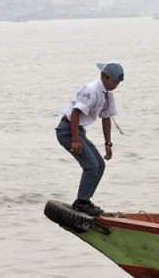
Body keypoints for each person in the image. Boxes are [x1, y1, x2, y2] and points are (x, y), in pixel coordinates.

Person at [56, 62, 124, 215]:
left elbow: (106, 118)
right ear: (104, 77)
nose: (115, 85)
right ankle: (81, 202)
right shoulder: (91, 90)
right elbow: (75, 113)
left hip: (77, 131)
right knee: (91, 166)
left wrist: (108, 144)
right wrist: (75, 140)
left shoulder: (108, 93)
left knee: (100, 165)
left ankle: (85, 200)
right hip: (67, 130)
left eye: (118, 83)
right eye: (114, 82)